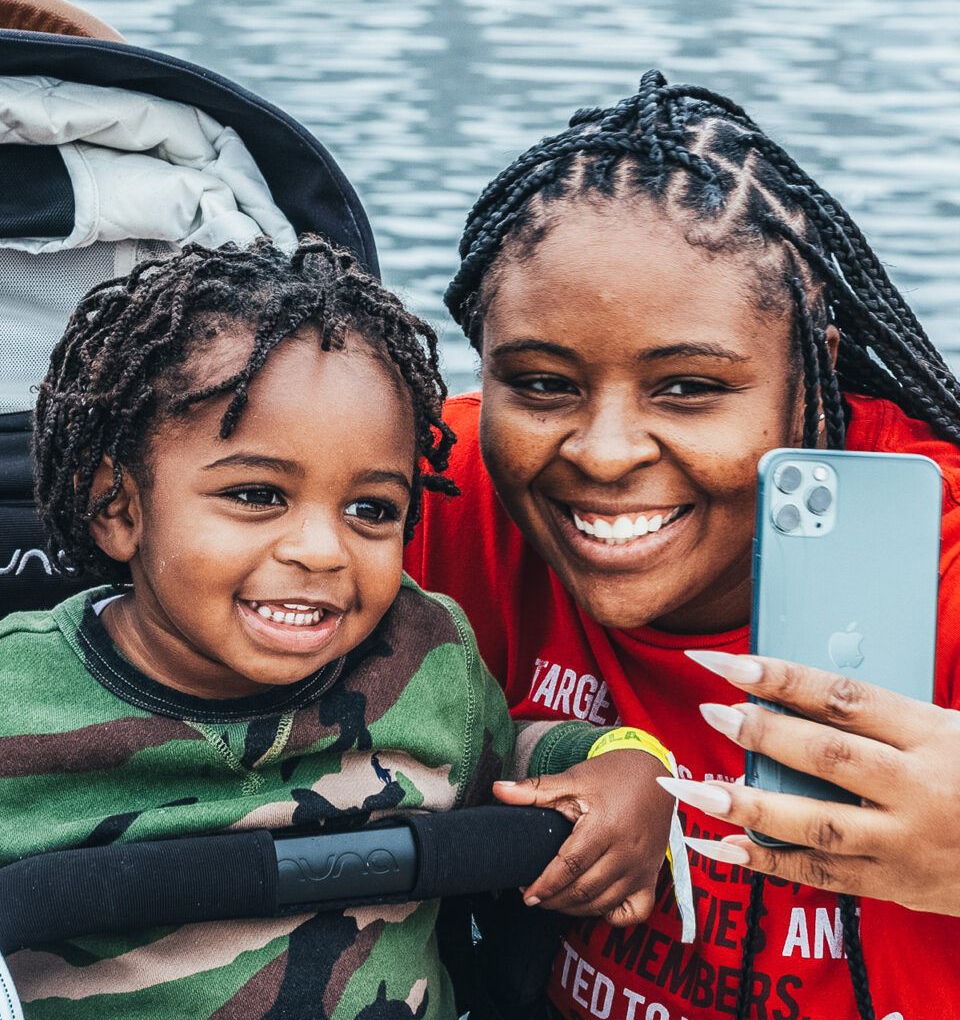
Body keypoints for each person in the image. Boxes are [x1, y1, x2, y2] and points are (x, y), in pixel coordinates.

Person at [0, 237, 672, 1019]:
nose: (323, 550)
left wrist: (624, 765)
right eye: (257, 496)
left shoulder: (425, 658)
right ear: (119, 508)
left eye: (371, 510)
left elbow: (511, 754)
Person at [405, 70, 960, 1020]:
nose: (604, 451)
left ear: (809, 371)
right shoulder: (424, 496)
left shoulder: (936, 564)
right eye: (540, 384)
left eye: (689, 389)